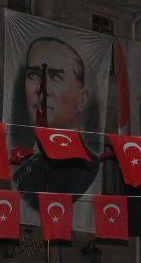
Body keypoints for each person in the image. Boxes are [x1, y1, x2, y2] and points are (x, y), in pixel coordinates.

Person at [14, 36, 101, 195]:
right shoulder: (21, 170)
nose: (42, 88)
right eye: (33, 75)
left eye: (55, 76)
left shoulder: (87, 169)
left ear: (82, 99)